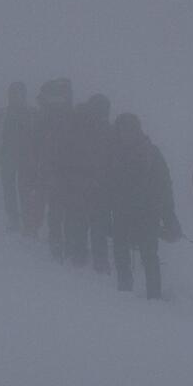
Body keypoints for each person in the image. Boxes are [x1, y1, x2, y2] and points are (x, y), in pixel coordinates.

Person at [108, 112, 181, 299]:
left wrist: (169, 216)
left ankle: (153, 297)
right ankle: (125, 294)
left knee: (148, 256)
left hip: (145, 212)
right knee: (125, 255)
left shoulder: (148, 153)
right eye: (123, 129)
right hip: (124, 211)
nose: (126, 134)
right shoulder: (118, 152)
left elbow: (164, 186)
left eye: (130, 129)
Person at [60, 93, 113, 270]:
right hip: (87, 183)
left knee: (86, 223)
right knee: (92, 224)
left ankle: (82, 259)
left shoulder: (85, 127)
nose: (104, 114)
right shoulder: (85, 128)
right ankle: (93, 262)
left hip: (87, 183)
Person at [31, 78, 74, 257]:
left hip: (48, 161)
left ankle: (36, 228)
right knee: (59, 203)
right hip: (64, 164)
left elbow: (38, 135)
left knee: (45, 197)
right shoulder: (66, 112)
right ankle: (58, 239)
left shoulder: (48, 111)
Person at [0, 81, 35, 232]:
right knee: (12, 189)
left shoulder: (31, 113)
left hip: (25, 159)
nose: (18, 97)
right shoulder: (4, 114)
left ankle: (27, 221)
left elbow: (40, 135)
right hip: (9, 158)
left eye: (20, 94)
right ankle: (14, 218)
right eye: (15, 94)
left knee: (24, 189)